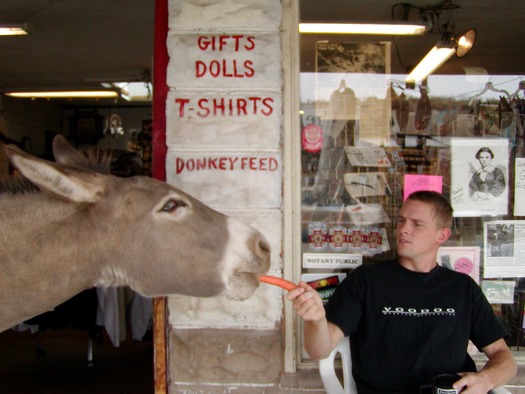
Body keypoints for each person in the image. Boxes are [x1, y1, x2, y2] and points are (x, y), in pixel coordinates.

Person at [288, 191, 516, 394]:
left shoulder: (462, 288)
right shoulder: (366, 280)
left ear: (442, 235)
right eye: (401, 221)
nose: (404, 229)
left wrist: (485, 380)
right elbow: (319, 351)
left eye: (417, 224)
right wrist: (316, 320)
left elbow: (503, 357)